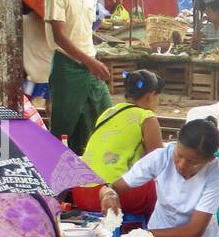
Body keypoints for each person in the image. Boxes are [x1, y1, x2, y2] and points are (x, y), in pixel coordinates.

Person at [98, 116, 219, 237]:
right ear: (176, 143)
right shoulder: (160, 158)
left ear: (210, 159)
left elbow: (194, 231)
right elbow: (115, 187)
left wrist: (144, 235)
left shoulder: (216, 173)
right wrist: (109, 194)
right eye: (178, 155)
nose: (181, 164)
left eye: (192, 162)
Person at [45, 0, 113, 154]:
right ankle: (59, 176)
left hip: (90, 62)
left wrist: (92, 58)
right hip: (67, 67)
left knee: (103, 116)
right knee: (64, 125)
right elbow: (59, 37)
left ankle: (92, 170)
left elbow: (86, 28)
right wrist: (89, 61)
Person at [70, 69, 165, 215]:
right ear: (151, 96)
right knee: (160, 185)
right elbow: (158, 161)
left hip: (81, 193)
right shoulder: (146, 117)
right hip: (114, 195)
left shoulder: (107, 114)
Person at [22, 5, 54, 107]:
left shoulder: (22, 21)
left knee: (29, 106)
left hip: (32, 75)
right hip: (51, 72)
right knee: (50, 105)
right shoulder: (51, 24)